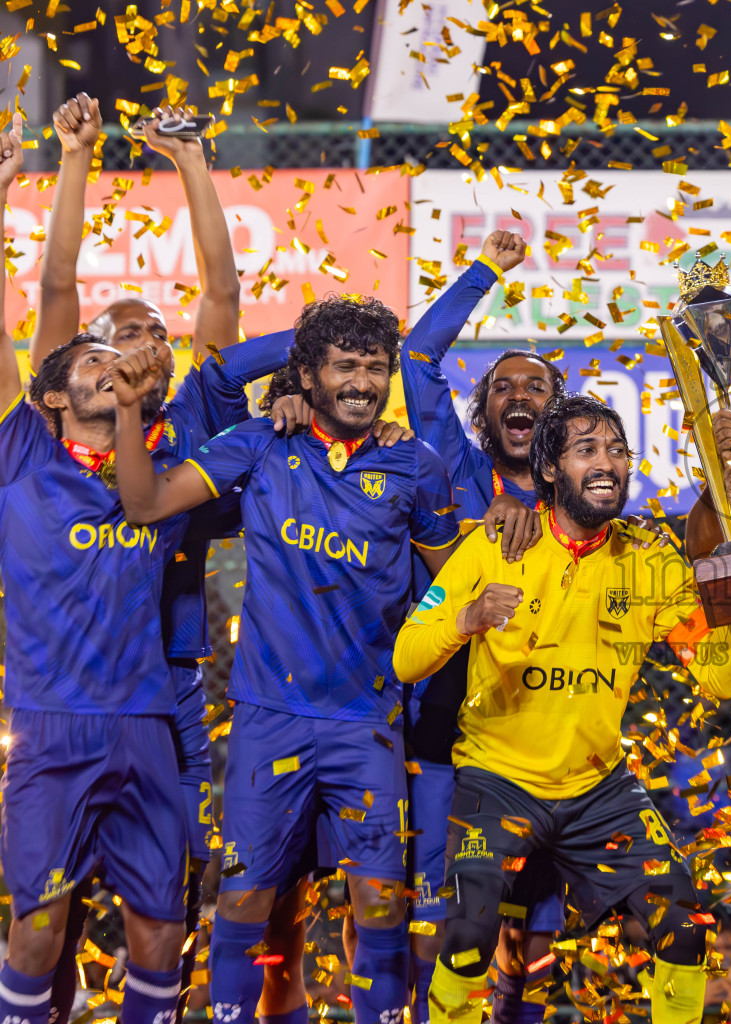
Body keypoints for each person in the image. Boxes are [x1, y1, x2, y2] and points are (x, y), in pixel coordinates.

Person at [106, 293, 466, 1024]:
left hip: (367, 725)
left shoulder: (415, 465)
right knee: (244, 901)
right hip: (269, 720)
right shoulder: (261, 443)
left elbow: (451, 574)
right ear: (308, 376)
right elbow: (145, 505)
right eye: (344, 366)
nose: (362, 381)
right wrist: (123, 413)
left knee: (378, 902)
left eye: (374, 366)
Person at [391, 393, 731, 1024]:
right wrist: (466, 621)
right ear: (551, 469)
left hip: (597, 790)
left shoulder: (649, 560)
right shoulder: (491, 545)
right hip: (498, 781)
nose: (606, 461)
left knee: (687, 927)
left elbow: (721, 681)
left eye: (616, 449)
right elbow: (406, 658)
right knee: (471, 936)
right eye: (586, 450)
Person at [0, 111, 193, 1024]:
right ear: (51, 388)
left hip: (148, 722)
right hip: (51, 728)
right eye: (85, 354)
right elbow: (55, 285)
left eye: (114, 356)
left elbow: (223, 321)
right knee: (38, 930)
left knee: (161, 930)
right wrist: (58, 163)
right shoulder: (21, 450)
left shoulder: (155, 464)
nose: (100, 358)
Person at [396, 229, 565, 1023]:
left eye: (537, 385)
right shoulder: (456, 469)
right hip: (444, 725)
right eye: (503, 385)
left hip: (542, 735)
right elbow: (417, 360)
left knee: (528, 933)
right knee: (439, 915)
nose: (520, 394)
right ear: (484, 407)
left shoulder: (583, 499)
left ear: (560, 415)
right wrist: (486, 269)